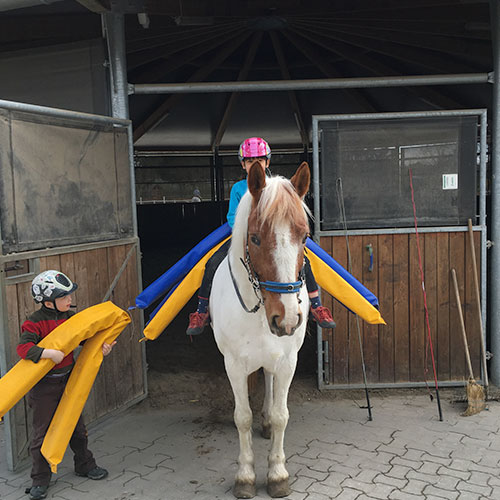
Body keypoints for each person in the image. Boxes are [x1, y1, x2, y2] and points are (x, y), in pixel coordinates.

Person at [186, 137, 335, 336]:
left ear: (267, 162)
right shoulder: (239, 188)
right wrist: (245, 229)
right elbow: (232, 215)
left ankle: (316, 305)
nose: (254, 164)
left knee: (304, 263)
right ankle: (202, 310)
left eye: (259, 160)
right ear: (243, 164)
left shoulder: (277, 187)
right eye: (249, 161)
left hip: (271, 237)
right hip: (245, 236)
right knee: (212, 263)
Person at [17, 270, 116, 500]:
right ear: (48, 301)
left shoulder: (71, 318)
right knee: (42, 435)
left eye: (69, 296)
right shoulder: (34, 323)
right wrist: (47, 353)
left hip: (69, 381)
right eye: (64, 297)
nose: (70, 300)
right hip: (44, 389)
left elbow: (86, 339)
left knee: (77, 428)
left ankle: (84, 465)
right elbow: (23, 349)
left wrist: (102, 347)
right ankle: (40, 480)